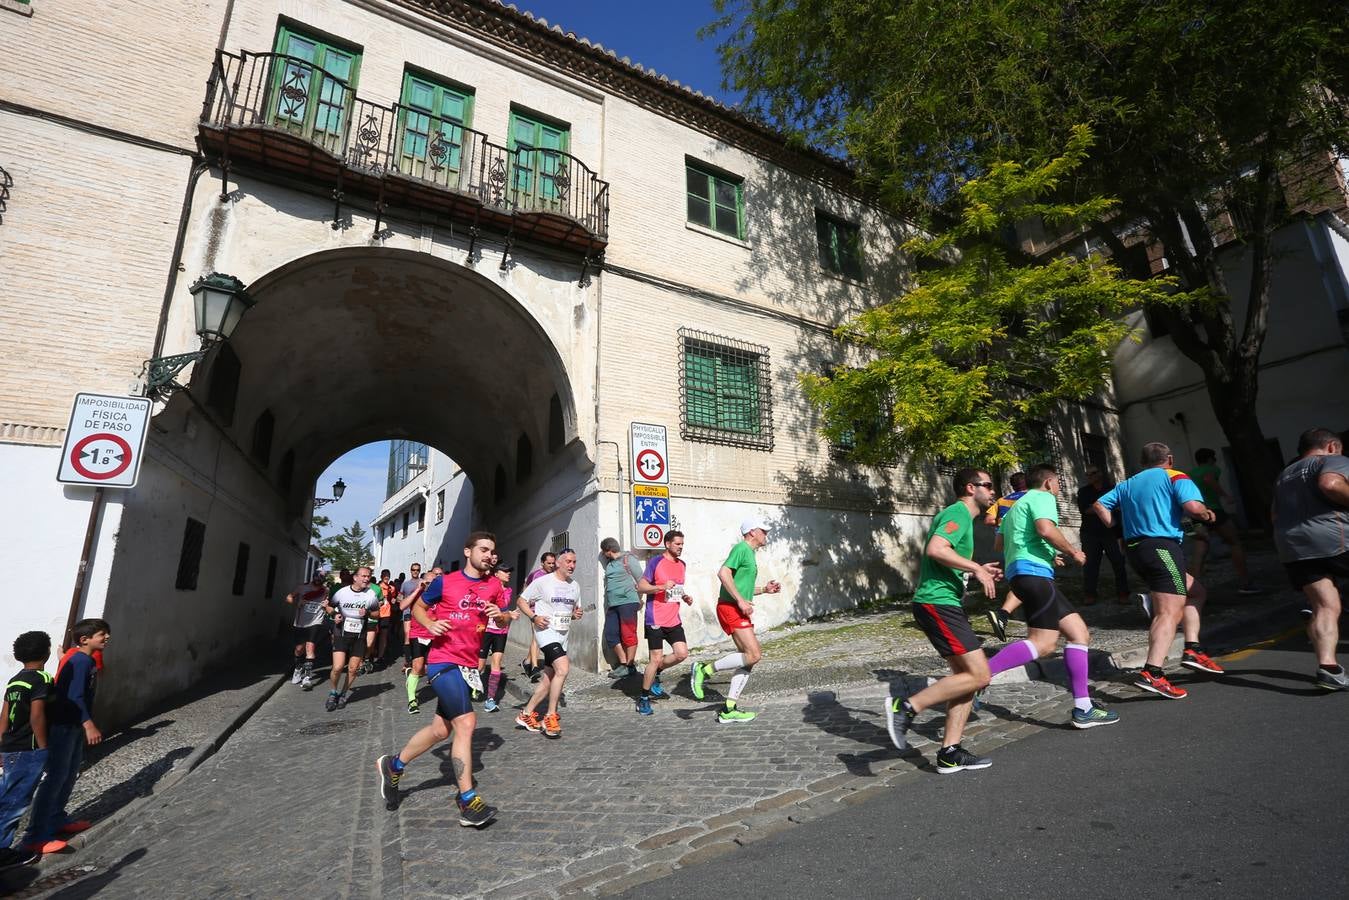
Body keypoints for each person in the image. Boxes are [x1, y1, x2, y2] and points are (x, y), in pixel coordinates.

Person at [375, 532, 512, 826]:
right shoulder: (445, 582)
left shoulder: (493, 586)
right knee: (466, 722)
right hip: (442, 661)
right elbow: (418, 608)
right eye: (484, 549)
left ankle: (394, 765)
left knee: (441, 730)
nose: (490, 555)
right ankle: (467, 800)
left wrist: (499, 616)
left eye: (493, 551)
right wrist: (430, 624)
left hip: (467, 665)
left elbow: (505, 617)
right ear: (468, 551)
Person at [884, 469, 1001, 773]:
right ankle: (906, 707)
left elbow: (946, 558)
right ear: (970, 487)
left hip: (944, 603)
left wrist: (976, 569)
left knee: (965, 682)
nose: (992, 491)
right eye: (988, 486)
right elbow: (936, 549)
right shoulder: (959, 512)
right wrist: (976, 568)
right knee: (981, 674)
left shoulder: (964, 519)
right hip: (937, 604)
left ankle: (950, 752)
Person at [986, 464, 1120, 728]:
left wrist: (1048, 552)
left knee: (1079, 633)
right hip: (1033, 574)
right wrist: (1072, 551)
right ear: (1048, 483)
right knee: (1043, 644)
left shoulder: (1015, 508)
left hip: (1024, 573)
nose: (1059, 488)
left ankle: (1084, 707)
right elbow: (1045, 529)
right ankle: (979, 676)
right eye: (1058, 483)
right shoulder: (1042, 497)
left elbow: (1000, 544)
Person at [1094, 442, 1222, 701]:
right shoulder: (1175, 476)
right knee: (1168, 611)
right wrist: (1208, 515)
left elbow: (1099, 505)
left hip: (1136, 550)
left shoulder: (1128, 483)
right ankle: (1153, 672)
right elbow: (1194, 509)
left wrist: (1117, 529)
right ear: (1170, 459)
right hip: (1162, 547)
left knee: (1195, 591)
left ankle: (1192, 648)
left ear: (1143, 461)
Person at [21, 618, 110, 854]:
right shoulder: (80, 661)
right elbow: (74, 696)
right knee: (55, 778)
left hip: (72, 726)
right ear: (85, 639)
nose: (107, 638)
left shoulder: (82, 659)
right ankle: (35, 835)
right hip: (64, 726)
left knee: (69, 774)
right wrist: (88, 724)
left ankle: (57, 819)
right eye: (102, 634)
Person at [1271, 427, 1349, 690]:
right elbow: (1330, 483)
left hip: (1292, 545)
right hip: (1333, 538)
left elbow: (1273, 515)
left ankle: (1328, 668)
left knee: (1325, 605)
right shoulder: (1331, 461)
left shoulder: (1284, 475)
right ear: (1331, 446)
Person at [688, 519, 781, 724]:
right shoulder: (741, 548)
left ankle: (729, 709)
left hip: (736, 608)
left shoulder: (750, 553)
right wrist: (739, 601)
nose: (766, 533)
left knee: (748, 659)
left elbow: (741, 587)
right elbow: (723, 573)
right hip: (731, 608)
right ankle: (704, 670)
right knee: (754, 654)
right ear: (752, 532)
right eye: (763, 530)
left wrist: (764, 590)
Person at [515, 549, 583, 738]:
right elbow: (521, 600)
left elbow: (572, 611)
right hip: (546, 633)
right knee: (563, 668)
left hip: (562, 635)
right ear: (558, 563)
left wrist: (575, 615)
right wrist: (534, 617)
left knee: (548, 680)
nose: (572, 565)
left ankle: (525, 714)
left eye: (574, 562)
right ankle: (550, 716)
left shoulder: (575, 586)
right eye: (568, 561)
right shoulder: (543, 582)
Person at [0, 631, 54, 867]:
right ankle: (2, 851)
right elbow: (37, 715)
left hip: (10, 748)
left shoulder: (14, 680)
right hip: (28, 748)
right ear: (47, 653)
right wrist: (44, 748)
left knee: (5, 798)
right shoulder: (42, 678)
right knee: (15, 803)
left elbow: (3, 719)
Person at [1185, 448, 1260, 594]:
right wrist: (1226, 496)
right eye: (1214, 458)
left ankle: (1193, 590)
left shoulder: (1190, 474)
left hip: (1195, 513)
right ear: (1209, 459)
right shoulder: (1212, 469)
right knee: (1234, 542)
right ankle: (1245, 583)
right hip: (1213, 510)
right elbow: (1208, 479)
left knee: (1200, 550)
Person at [635, 531, 694, 716]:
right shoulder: (656, 562)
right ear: (667, 544)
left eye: (682, 544)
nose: (681, 547)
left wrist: (684, 596)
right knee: (655, 658)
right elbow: (641, 586)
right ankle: (643, 698)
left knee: (681, 654)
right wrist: (660, 587)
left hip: (673, 619)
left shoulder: (682, 565)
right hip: (656, 619)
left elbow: (676, 589)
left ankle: (656, 672)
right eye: (677, 543)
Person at [323, 566, 382, 712]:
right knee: (337, 667)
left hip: (359, 635)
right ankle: (333, 692)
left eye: (368, 576)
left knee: (353, 669)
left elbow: (377, 614)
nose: (366, 579)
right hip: (341, 633)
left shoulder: (371, 595)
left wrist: (367, 612)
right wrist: (334, 615)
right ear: (355, 577)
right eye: (363, 576)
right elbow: (329, 607)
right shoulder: (342, 593)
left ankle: (343, 693)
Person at [1076, 466, 1129, 606]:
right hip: (1090, 533)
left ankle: (1123, 594)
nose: (1091, 476)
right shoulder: (1084, 491)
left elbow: (1121, 506)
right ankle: (1089, 594)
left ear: (1100, 473)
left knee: (1119, 563)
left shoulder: (1113, 489)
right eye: (1088, 474)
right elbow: (1085, 510)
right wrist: (1108, 506)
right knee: (1090, 565)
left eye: (1093, 472)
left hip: (1112, 532)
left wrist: (1098, 507)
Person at [985, 472, 1028, 641]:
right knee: (1032, 582)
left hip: (1006, 543)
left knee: (1023, 582)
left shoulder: (1002, 500)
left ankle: (1004, 615)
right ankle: (1003, 615)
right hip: (1026, 543)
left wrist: (1003, 521)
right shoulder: (1032, 497)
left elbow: (988, 520)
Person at [600, 538, 644, 679]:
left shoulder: (628, 559)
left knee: (628, 634)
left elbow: (641, 580)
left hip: (628, 602)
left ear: (608, 551)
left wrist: (639, 599)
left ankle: (629, 666)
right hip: (613, 605)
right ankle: (623, 663)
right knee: (610, 634)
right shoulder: (610, 563)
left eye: (603, 551)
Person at [478, 563, 519, 712]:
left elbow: (504, 610)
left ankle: (490, 699)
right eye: (505, 571)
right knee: (480, 666)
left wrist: (510, 614)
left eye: (509, 572)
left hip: (501, 631)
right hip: (486, 629)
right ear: (496, 574)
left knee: (496, 663)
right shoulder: (487, 588)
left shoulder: (508, 590)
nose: (508, 574)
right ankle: (468, 688)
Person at [401, 566, 441, 715]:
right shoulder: (417, 595)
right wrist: (418, 590)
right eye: (428, 582)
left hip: (434, 635)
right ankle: (412, 700)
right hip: (417, 634)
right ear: (423, 582)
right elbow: (402, 606)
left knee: (430, 669)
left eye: (434, 582)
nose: (431, 585)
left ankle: (411, 677)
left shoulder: (440, 596)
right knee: (418, 666)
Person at [286, 569, 330, 690]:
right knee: (299, 649)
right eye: (317, 578)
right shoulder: (302, 587)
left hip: (316, 621)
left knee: (310, 647)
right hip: (301, 622)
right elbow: (290, 596)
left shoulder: (325, 590)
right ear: (313, 577)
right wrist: (294, 602)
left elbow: (329, 604)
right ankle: (298, 668)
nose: (318, 580)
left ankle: (307, 677)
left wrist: (326, 606)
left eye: (321, 579)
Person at [520, 552, 557, 680]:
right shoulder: (536, 575)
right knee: (536, 637)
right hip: (534, 610)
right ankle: (535, 668)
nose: (552, 565)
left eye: (553, 563)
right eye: (549, 563)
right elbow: (526, 588)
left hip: (547, 611)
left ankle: (527, 662)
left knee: (538, 638)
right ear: (542, 563)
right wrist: (527, 605)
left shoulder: (554, 576)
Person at [399, 563, 423, 674]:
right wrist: (398, 600)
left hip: (419, 613)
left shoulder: (422, 582)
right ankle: (407, 662)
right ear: (410, 570)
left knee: (418, 637)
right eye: (413, 569)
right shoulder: (405, 584)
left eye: (417, 570)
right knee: (407, 636)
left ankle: (417, 661)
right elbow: (400, 596)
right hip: (408, 612)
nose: (415, 571)